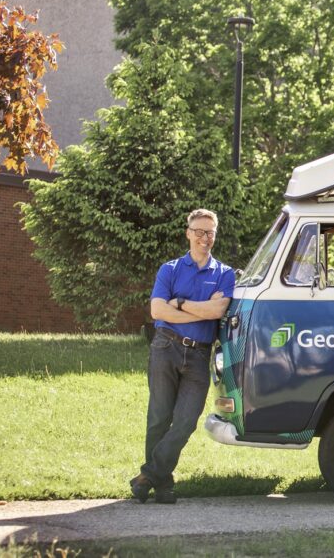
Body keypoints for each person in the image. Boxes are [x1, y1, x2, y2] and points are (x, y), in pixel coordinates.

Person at [129, 209, 235, 504]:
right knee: (159, 418)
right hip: (166, 347)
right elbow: (157, 311)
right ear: (188, 233)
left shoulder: (224, 273)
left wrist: (181, 303)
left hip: (200, 355)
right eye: (199, 231)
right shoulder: (170, 269)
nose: (205, 238)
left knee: (187, 421)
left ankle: (146, 476)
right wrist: (199, 308)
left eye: (210, 232)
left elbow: (217, 312)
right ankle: (162, 485)